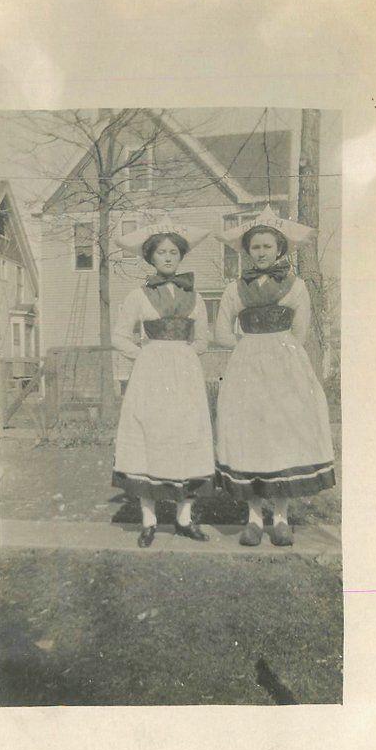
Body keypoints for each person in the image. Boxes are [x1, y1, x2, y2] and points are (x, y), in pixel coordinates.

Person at [214, 206, 335, 547]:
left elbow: (300, 330)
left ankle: (281, 518)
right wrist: (247, 345)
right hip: (247, 368)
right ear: (247, 251)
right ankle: (253, 518)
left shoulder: (295, 286)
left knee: (283, 434)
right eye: (256, 247)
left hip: (285, 368)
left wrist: (279, 351)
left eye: (268, 246)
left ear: (280, 249)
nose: (262, 252)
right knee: (251, 435)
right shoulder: (235, 289)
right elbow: (222, 331)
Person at [112, 220, 214, 548]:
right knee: (150, 434)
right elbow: (120, 336)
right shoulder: (137, 296)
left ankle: (185, 519)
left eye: (173, 252)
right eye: (161, 253)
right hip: (150, 376)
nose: (168, 258)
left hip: (185, 377)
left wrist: (182, 356)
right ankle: (149, 520)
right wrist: (145, 357)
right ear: (151, 258)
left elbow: (203, 339)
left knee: (188, 433)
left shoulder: (195, 296)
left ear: (180, 257)